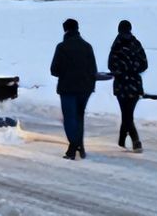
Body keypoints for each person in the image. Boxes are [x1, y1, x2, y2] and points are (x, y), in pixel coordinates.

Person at [51, 18, 98, 160]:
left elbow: (54, 70)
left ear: (65, 30)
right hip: (85, 88)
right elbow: (93, 69)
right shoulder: (87, 46)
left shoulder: (62, 47)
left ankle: (73, 146)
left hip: (68, 87)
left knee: (70, 118)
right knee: (79, 116)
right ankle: (80, 146)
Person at [108, 19, 148, 153]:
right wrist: (134, 68)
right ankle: (121, 140)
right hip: (135, 85)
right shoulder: (136, 44)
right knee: (127, 113)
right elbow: (144, 64)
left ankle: (136, 141)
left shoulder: (117, 44)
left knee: (126, 114)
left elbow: (111, 65)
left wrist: (122, 69)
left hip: (122, 85)